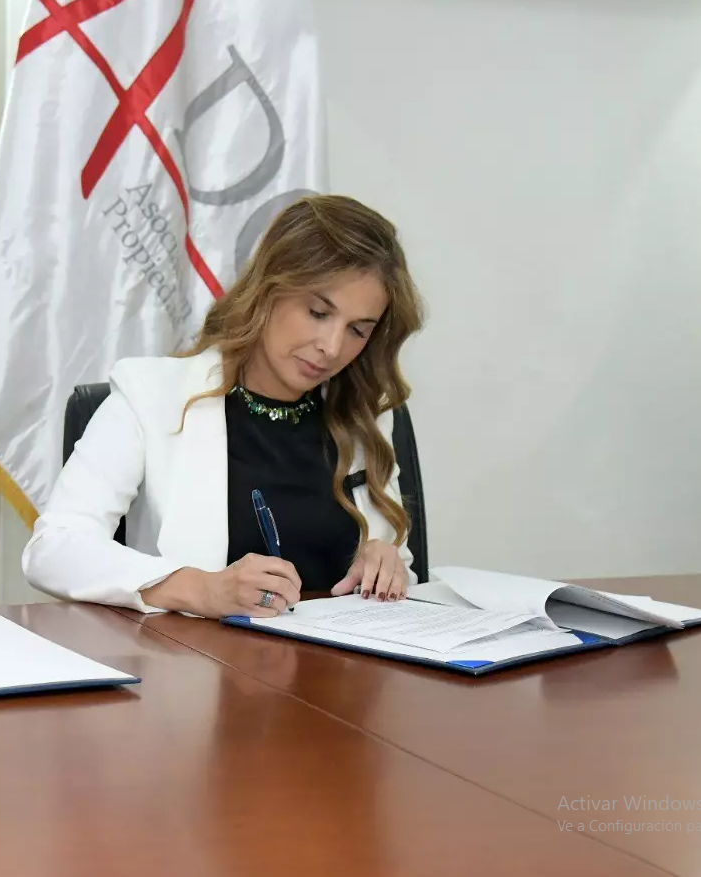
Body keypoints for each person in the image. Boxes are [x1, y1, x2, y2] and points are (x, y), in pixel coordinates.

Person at [23, 195, 424, 618]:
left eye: (358, 330)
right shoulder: (152, 394)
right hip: (196, 657)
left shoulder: (366, 415)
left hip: (338, 659)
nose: (332, 346)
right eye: (318, 312)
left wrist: (387, 566)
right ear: (269, 288)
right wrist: (201, 589)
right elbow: (53, 549)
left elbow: (404, 580)